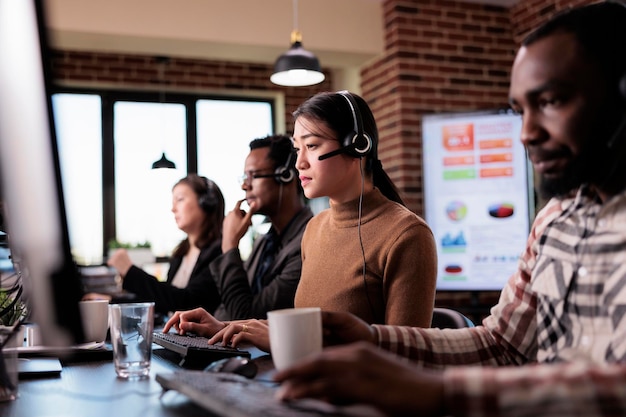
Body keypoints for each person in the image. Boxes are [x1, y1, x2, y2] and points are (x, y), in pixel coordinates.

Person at [271, 3, 626, 416]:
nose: (526, 134)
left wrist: (438, 393)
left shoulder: (405, 233)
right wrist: (372, 340)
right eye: (519, 111)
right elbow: (502, 343)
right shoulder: (555, 221)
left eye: (550, 101)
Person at [164, 91, 438, 349]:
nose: (299, 163)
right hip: (300, 383)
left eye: (312, 145)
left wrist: (282, 342)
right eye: (298, 149)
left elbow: (405, 356)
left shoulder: (408, 235)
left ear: (357, 145)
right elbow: (306, 329)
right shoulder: (315, 228)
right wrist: (227, 326)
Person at [83, 174, 225, 318]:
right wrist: (111, 301)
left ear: (206, 203)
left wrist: (130, 271)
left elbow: (187, 302)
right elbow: (163, 301)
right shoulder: (182, 253)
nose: (173, 209)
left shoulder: (219, 252)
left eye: (180, 200)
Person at [209, 134, 314, 320]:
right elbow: (229, 306)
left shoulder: (309, 242)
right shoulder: (264, 242)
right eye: (244, 177)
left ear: (286, 175)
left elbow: (245, 316)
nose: (244, 186)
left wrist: (229, 245)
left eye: (254, 176)